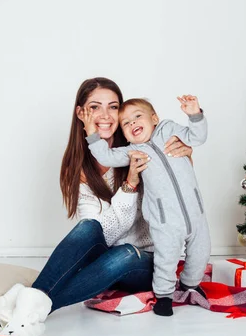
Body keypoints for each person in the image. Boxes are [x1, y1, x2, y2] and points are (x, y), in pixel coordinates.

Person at [0, 77, 193, 336]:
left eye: (113, 107)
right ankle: (25, 316)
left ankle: (17, 306)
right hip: (108, 255)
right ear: (80, 114)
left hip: (151, 261)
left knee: (123, 253)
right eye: (95, 107)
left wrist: (186, 151)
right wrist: (130, 185)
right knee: (89, 228)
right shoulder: (79, 167)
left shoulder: (143, 148)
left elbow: (182, 189)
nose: (105, 115)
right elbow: (104, 232)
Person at [83, 96, 211, 317]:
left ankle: (190, 285)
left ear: (154, 118)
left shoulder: (169, 129)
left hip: (195, 213)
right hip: (164, 220)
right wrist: (90, 132)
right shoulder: (133, 151)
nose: (132, 123)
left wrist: (194, 114)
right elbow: (106, 155)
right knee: (166, 258)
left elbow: (197, 137)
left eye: (137, 117)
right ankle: (164, 296)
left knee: (201, 252)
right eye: (126, 123)